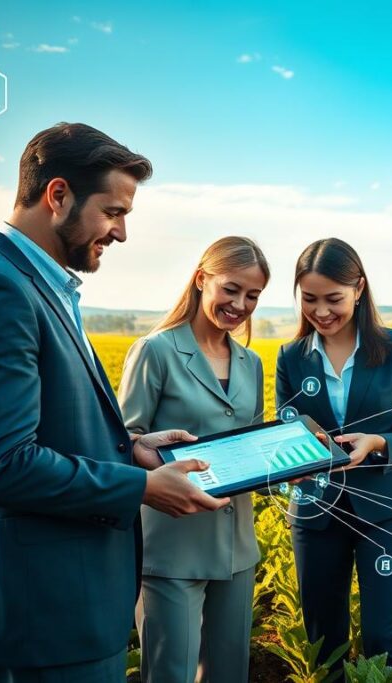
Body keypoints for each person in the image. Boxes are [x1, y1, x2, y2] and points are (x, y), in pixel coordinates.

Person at [0, 122, 228, 683]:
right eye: (114, 212)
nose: (120, 233)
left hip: (68, 606)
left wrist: (131, 449)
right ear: (58, 195)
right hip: (42, 612)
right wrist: (142, 488)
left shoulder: (38, 285)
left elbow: (45, 432)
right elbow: (2, 466)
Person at [275, 238, 392, 677]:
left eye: (334, 299)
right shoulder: (290, 357)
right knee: (323, 643)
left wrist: (378, 443)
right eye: (309, 299)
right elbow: (284, 434)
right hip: (315, 516)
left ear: (359, 289)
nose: (321, 311)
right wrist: (288, 463)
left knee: (384, 641)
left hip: (384, 513)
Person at [119, 237, 269, 683]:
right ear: (202, 279)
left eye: (253, 296)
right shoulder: (156, 351)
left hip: (236, 547)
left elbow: (251, 443)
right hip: (171, 547)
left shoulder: (251, 362)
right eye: (231, 289)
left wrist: (296, 459)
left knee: (229, 675)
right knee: (171, 674)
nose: (240, 304)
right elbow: (123, 440)